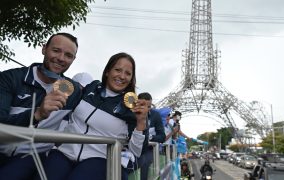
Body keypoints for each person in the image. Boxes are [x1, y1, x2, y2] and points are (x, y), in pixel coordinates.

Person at [37, 52, 149, 180]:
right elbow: (60, 86)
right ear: (107, 71)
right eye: (117, 70)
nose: (122, 76)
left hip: (99, 159)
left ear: (131, 78)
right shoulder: (91, 88)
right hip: (64, 151)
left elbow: (137, 152)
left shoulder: (132, 107)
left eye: (128, 73)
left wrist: (141, 123)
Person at [0, 32, 82, 179]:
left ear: (73, 60)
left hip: (33, 157)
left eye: (68, 55)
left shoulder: (74, 90)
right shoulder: (10, 78)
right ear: (44, 49)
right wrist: (36, 114)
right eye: (56, 50)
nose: (61, 58)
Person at [136, 92, 165, 180]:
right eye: (142, 105)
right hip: (131, 149)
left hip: (147, 149)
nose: (146, 109)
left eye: (149, 107)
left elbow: (162, 137)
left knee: (144, 161)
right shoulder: (131, 112)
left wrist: (150, 137)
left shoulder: (155, 115)